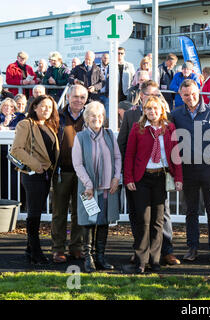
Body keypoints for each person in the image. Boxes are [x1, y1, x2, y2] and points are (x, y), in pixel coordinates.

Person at [171, 79, 210, 263]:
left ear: (198, 92)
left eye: (193, 94)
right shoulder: (176, 115)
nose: (190, 98)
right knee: (191, 212)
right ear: (181, 96)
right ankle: (192, 248)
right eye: (185, 95)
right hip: (187, 170)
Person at [118, 80, 181, 266]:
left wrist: (178, 178)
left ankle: (156, 258)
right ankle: (140, 258)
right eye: (148, 108)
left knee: (158, 220)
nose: (152, 111)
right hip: (141, 178)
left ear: (161, 109)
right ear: (144, 107)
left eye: (155, 108)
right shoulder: (136, 126)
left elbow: (175, 154)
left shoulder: (169, 127)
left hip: (160, 177)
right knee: (142, 220)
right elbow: (128, 153)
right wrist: (127, 177)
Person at [72, 101, 121, 273]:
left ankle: (101, 257)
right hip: (89, 189)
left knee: (103, 222)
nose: (97, 119)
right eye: (93, 115)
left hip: (108, 188)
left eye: (100, 115)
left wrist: (116, 178)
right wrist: (88, 184)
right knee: (88, 222)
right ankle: (88, 259)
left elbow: (117, 158)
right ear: (86, 118)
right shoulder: (80, 137)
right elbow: (77, 164)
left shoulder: (109, 135)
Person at [10, 95, 60, 264]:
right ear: (35, 107)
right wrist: (35, 164)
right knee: (34, 214)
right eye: (43, 106)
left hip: (46, 175)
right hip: (33, 176)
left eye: (50, 107)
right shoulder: (26, 124)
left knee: (35, 211)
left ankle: (30, 249)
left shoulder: (49, 126)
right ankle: (36, 253)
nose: (47, 110)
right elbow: (16, 149)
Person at [50, 84, 88, 263]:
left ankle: (76, 247)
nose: (78, 100)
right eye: (75, 96)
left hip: (83, 173)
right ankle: (58, 249)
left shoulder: (90, 116)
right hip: (62, 171)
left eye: (82, 97)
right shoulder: (57, 115)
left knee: (80, 212)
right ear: (68, 97)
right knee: (59, 212)